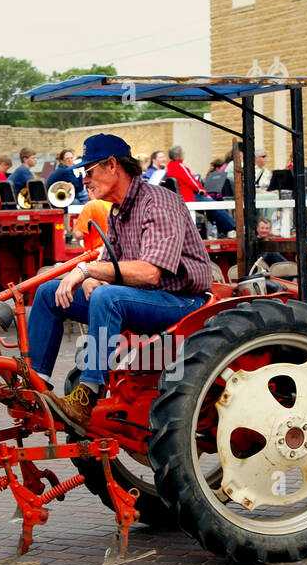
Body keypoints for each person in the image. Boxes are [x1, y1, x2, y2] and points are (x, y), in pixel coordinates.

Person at [28, 133, 211, 429]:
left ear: (112, 165)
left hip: (184, 303)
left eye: (88, 172)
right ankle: (36, 386)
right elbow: (111, 266)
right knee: (49, 292)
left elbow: (151, 272)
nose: (84, 181)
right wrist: (91, 276)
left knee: (107, 297)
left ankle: (87, 395)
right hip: (143, 298)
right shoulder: (117, 212)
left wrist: (90, 272)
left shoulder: (159, 202)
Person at [165, 145, 235, 238]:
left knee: (210, 208)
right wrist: (205, 193)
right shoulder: (179, 166)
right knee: (213, 204)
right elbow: (192, 182)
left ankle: (224, 229)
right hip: (188, 197)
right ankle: (232, 227)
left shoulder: (169, 166)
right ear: (181, 155)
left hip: (181, 197)